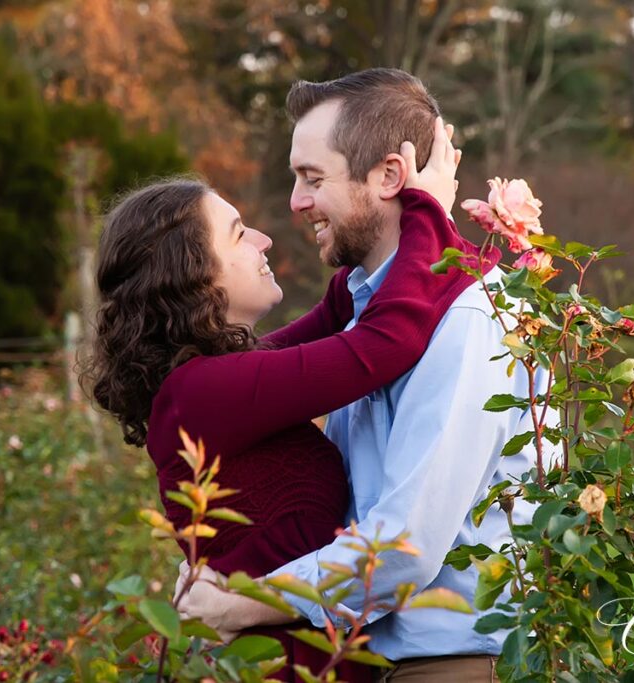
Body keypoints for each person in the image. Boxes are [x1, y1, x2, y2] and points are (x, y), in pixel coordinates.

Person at [178, 68, 558, 682]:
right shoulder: (368, 310)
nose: (296, 203)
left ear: (387, 176)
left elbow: (405, 541)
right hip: (372, 656)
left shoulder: (464, 315)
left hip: (455, 664)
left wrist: (244, 601)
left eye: (312, 178)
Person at [84, 118, 496, 681]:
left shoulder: (218, 379)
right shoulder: (206, 392)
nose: (264, 238)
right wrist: (426, 208)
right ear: (193, 274)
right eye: (238, 233)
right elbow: (379, 343)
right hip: (287, 666)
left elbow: (349, 305)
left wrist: (385, 218)